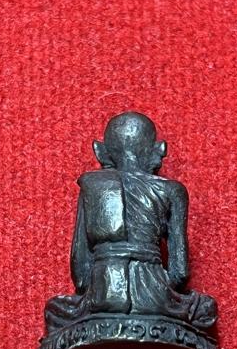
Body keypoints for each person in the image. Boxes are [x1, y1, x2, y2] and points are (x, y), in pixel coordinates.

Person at [44, 111, 217, 334]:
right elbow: (180, 271)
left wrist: (93, 289)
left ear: (100, 152)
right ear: (158, 149)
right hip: (155, 297)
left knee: (55, 309)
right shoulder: (171, 190)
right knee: (205, 310)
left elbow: (80, 267)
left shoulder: (92, 185)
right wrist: (159, 286)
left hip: (102, 292)